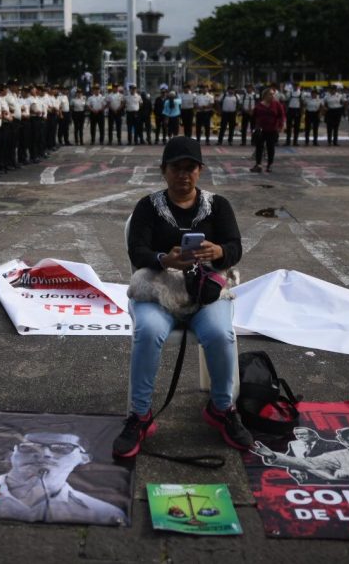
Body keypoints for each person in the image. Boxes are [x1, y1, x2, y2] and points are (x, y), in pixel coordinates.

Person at [116, 136, 250, 458]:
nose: (183, 175)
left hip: (205, 291)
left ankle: (222, 408)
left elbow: (235, 247)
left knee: (220, 333)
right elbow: (137, 250)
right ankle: (140, 414)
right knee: (148, 331)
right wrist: (165, 259)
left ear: (200, 171)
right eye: (176, 168)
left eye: (190, 168)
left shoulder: (218, 205)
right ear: (164, 171)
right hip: (158, 288)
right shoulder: (147, 207)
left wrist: (219, 251)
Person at [250, 87, 285, 173]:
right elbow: (254, 117)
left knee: (270, 147)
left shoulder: (277, 104)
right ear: (265, 95)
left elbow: (282, 116)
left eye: (273, 94)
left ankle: (270, 165)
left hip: (272, 129)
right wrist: (254, 128)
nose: (272, 96)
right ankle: (258, 165)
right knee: (259, 147)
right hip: (261, 130)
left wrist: (281, 126)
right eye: (270, 94)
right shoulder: (259, 105)